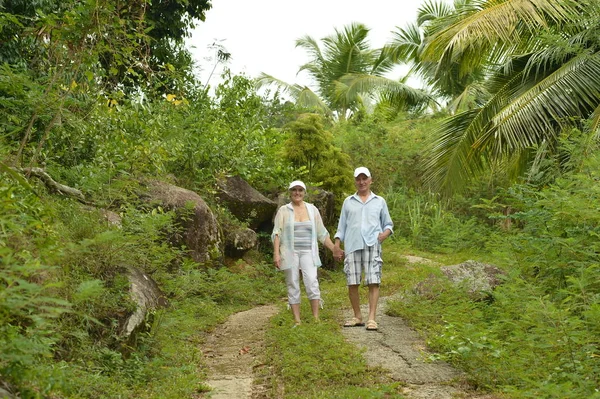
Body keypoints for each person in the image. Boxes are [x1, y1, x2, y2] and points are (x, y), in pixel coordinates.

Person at [333, 167, 393, 331]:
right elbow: (341, 227)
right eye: (358, 179)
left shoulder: (379, 201)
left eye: (364, 178)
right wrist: (337, 245)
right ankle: (357, 316)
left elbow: (388, 224)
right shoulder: (348, 201)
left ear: (370, 180)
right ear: (355, 181)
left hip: (372, 244)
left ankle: (372, 318)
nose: (361, 182)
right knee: (352, 282)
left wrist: (384, 234)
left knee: (373, 281)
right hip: (352, 245)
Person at [272, 180, 335, 326]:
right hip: (289, 252)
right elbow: (277, 233)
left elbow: (322, 234)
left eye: (300, 190)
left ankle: (315, 318)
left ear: (304, 193)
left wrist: (334, 249)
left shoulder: (312, 210)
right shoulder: (284, 210)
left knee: (312, 281)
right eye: (294, 190)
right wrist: (276, 254)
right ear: (290, 192)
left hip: (308, 252)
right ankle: (297, 320)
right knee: (292, 282)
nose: (297, 193)